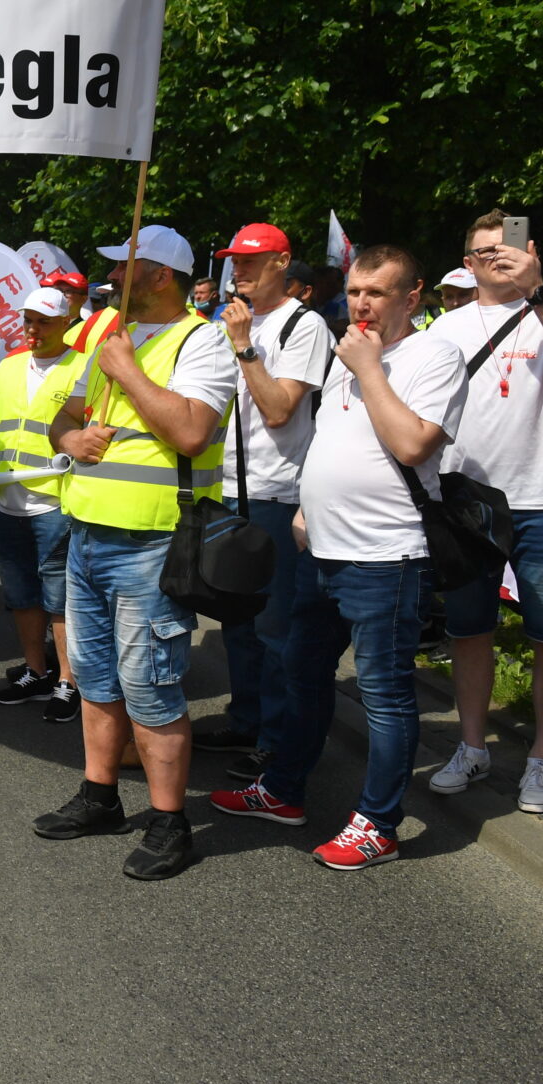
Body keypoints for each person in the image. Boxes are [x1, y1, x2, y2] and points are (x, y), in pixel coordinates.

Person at [211, 246, 465, 868]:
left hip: (388, 555)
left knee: (384, 692)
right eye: (354, 291)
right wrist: (305, 508)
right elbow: (331, 434)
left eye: (376, 293)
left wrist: (370, 367)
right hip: (322, 545)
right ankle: (284, 790)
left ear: (413, 295)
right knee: (302, 672)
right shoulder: (354, 351)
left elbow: (411, 445)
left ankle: (379, 822)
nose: (361, 304)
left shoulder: (432, 356)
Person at [32, 224, 235, 881]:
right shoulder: (110, 333)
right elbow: (62, 416)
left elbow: (192, 429)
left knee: (150, 683)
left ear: (160, 276)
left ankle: (171, 821)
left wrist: (127, 371)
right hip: (87, 532)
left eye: (128, 266)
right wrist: (70, 439)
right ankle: (99, 794)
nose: (114, 274)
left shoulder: (200, 340)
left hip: (153, 541)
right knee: (94, 675)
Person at [426, 210, 543, 814]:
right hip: (468, 502)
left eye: (504, 251)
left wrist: (539, 291)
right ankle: (473, 747)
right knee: (468, 631)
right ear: (467, 261)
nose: (493, 260)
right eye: (481, 253)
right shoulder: (446, 327)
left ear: (529, 252)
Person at [190, 224, 335, 786]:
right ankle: (247, 718)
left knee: (276, 628)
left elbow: (278, 410)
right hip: (223, 489)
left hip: (275, 493)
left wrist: (245, 346)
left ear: (283, 262)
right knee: (236, 622)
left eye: (251, 262)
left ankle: (276, 742)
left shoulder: (306, 324)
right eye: (232, 261)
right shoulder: (225, 322)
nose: (238, 271)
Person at [0, 287, 84, 720]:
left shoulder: (83, 367)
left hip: (54, 501)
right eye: (28, 320)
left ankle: (68, 681)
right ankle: (36, 671)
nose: (33, 329)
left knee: (59, 597)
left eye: (43, 321)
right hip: (7, 501)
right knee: (21, 592)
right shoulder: (7, 368)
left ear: (65, 323)